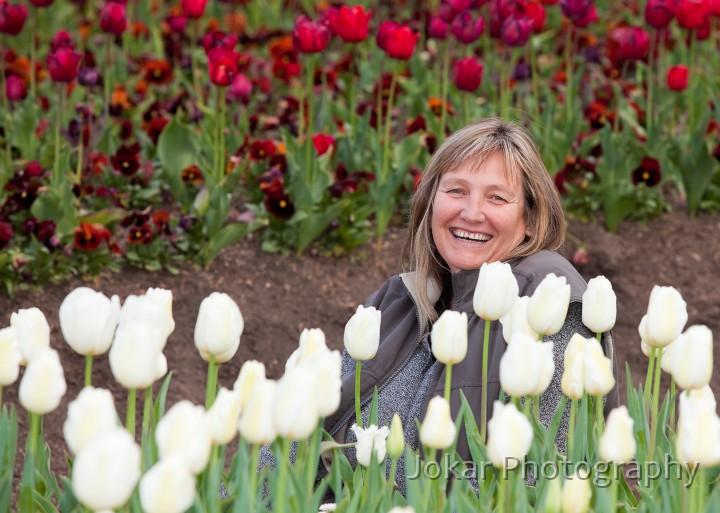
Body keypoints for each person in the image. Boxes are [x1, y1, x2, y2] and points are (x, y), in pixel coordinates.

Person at [322, 117, 620, 487]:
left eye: (496, 197)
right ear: (431, 202)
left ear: (528, 219)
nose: (472, 213)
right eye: (456, 191)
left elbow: (537, 479)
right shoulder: (400, 300)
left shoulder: (549, 308)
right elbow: (303, 432)